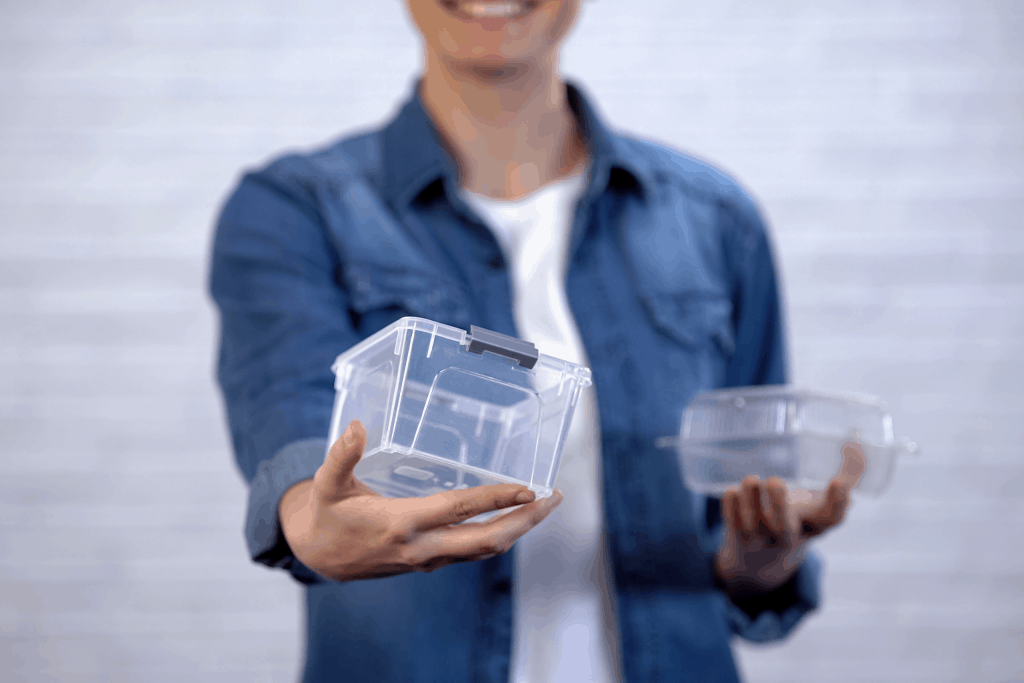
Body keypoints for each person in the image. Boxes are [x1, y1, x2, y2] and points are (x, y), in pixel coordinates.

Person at [209, 1, 864, 681]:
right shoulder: (295, 211)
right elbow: (285, 405)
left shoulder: (716, 222)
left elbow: (741, 526)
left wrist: (758, 562)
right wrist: (308, 518)